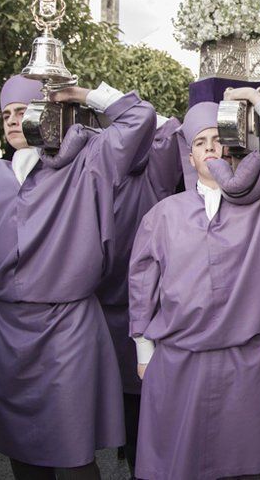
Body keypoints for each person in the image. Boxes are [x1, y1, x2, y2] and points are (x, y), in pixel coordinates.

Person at [0, 75, 157, 479]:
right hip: (7, 330)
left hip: (68, 327)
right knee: (20, 446)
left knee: (73, 451)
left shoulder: (87, 164)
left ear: (49, 114)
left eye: (23, 111)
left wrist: (81, 94)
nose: (12, 120)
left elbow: (139, 117)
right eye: (6, 114)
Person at [128, 88, 260, 480]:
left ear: (233, 145)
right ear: (190, 155)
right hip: (179, 363)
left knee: (251, 470)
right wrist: (144, 351)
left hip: (247, 363)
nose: (210, 147)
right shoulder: (163, 215)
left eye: (219, 137)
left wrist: (255, 101)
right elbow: (142, 285)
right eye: (200, 142)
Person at [94, 112, 182, 474]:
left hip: (146, 307)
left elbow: (170, 128)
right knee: (124, 398)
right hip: (102, 308)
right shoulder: (97, 176)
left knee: (148, 396)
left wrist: (129, 113)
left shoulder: (153, 177)